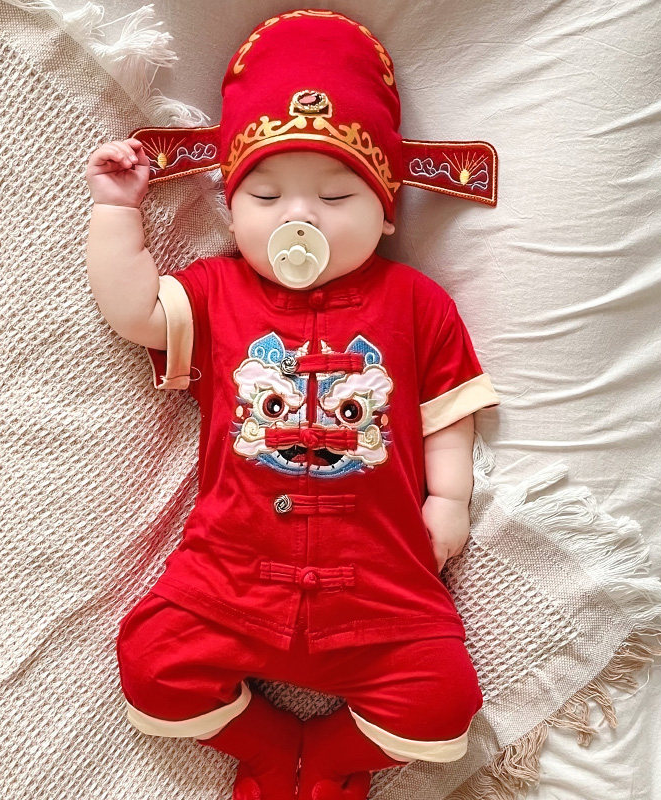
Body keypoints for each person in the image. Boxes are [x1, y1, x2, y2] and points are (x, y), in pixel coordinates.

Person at [85, 10, 500, 800]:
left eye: (336, 195)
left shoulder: (417, 303)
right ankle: (275, 748)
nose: (298, 217)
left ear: (386, 211)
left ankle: (336, 754)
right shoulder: (217, 292)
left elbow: (447, 408)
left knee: (445, 710)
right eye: (266, 194)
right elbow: (135, 310)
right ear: (233, 208)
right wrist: (116, 209)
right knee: (150, 667)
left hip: (382, 587)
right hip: (229, 579)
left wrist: (449, 499)